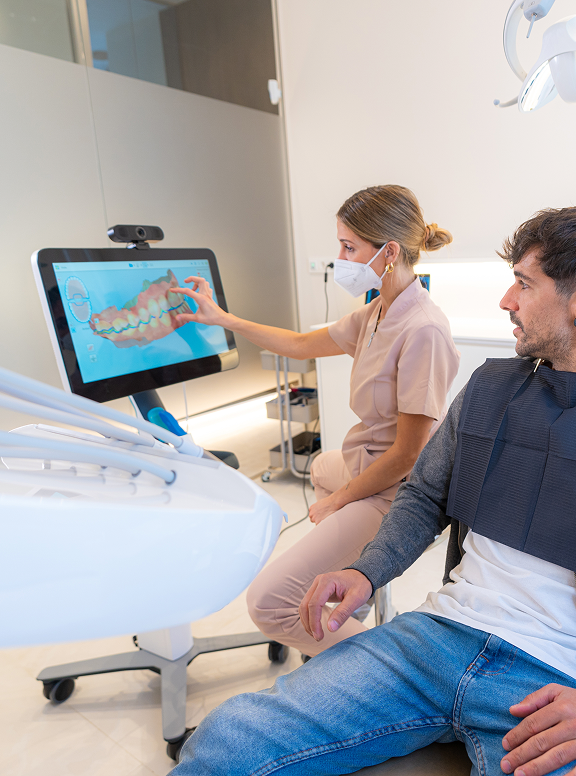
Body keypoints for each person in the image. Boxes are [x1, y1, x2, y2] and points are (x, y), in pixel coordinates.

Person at [172, 202, 576, 776]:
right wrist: (366, 571)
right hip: (433, 642)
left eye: (523, 285)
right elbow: (424, 496)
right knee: (224, 743)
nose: (506, 300)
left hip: (562, 682)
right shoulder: (491, 390)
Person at [174, 184, 460, 657]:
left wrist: (341, 501)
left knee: (268, 603)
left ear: (389, 252)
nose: (340, 259)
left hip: (397, 489)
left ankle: (387, 668)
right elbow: (301, 344)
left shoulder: (423, 330)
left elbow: (409, 454)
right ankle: (346, 598)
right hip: (365, 462)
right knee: (322, 466)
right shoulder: (378, 310)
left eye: (349, 247)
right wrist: (223, 319)